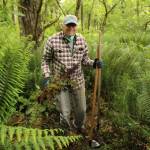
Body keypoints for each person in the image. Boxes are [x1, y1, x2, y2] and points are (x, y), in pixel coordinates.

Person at [41, 15, 103, 148]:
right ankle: (65, 136)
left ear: (76, 26)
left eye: (73, 25)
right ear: (63, 26)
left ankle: (78, 126)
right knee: (65, 112)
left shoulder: (81, 40)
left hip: (78, 81)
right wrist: (46, 76)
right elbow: (45, 60)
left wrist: (94, 63)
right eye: (68, 25)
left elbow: (85, 60)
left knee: (81, 110)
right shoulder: (52, 40)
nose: (71, 28)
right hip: (60, 83)